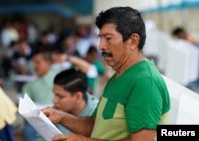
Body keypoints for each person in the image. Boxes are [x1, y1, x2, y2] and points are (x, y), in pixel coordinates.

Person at [43, 6, 170, 141]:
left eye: (108, 38)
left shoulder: (145, 82)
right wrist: (62, 117)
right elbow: (93, 126)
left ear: (133, 41)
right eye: (100, 38)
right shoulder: (119, 76)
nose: (101, 46)